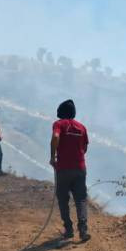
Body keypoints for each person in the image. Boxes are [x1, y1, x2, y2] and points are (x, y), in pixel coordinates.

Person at [50, 99, 89, 242]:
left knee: (63, 198)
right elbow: (84, 148)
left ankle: (69, 229)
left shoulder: (59, 124)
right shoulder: (82, 127)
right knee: (81, 199)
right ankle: (83, 230)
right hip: (80, 168)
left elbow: (55, 137)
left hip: (63, 169)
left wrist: (53, 157)